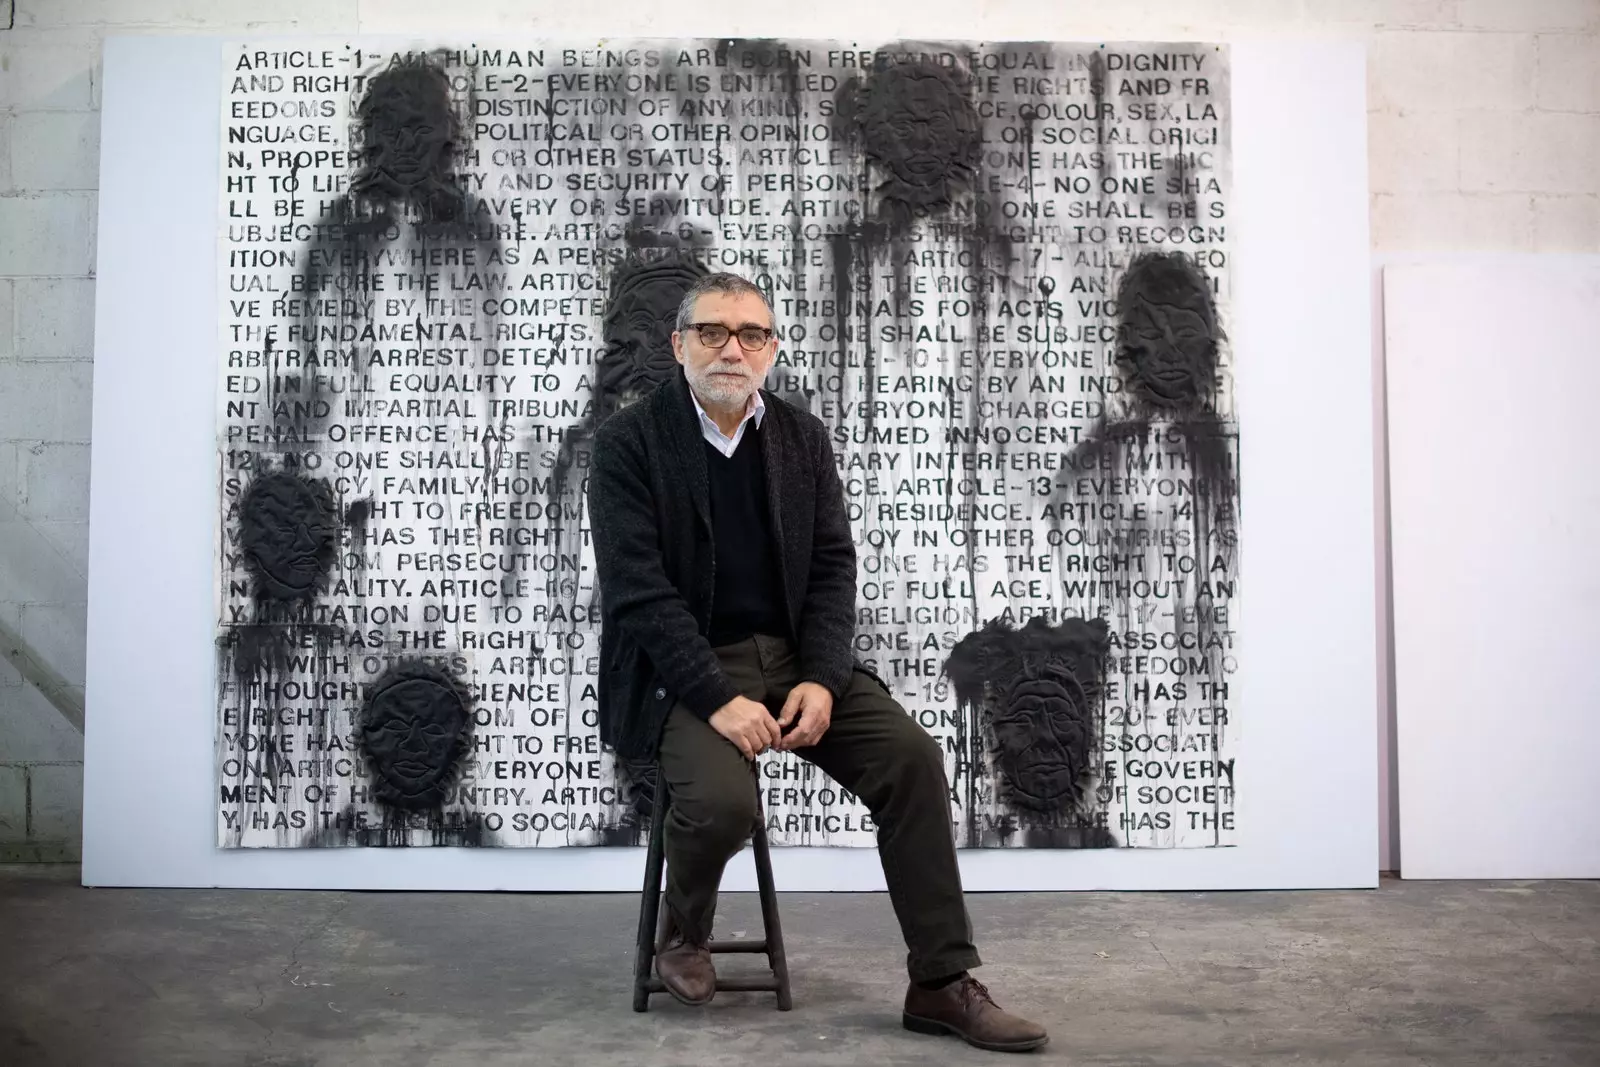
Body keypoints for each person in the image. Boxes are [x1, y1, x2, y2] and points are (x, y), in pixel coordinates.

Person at [587, 271, 1049, 1053]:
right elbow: (639, 594)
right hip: (686, 666)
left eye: (752, 334)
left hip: (796, 658)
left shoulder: (801, 437)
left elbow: (833, 566)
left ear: (770, 348)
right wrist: (715, 696)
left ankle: (940, 982)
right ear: (678, 344)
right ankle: (685, 926)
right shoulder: (628, 444)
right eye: (713, 332)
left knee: (912, 758)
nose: (733, 348)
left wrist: (822, 677)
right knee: (726, 804)